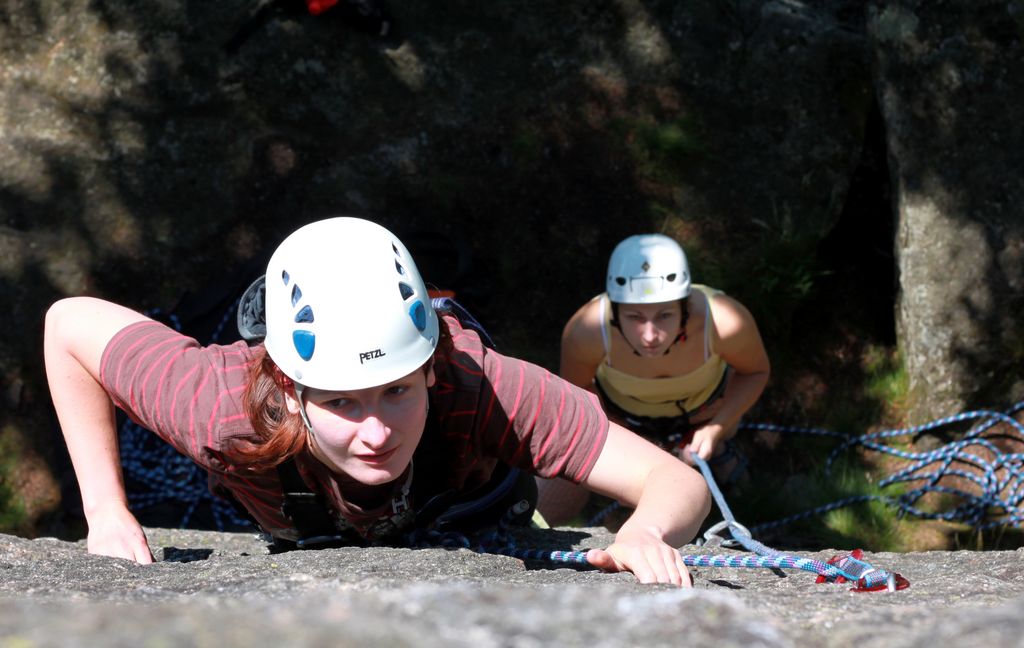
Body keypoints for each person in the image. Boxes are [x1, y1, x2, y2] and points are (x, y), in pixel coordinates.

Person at [44, 217, 710, 587]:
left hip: (476, 505)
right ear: (288, 387)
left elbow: (672, 480)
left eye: (396, 390)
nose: (375, 433)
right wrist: (106, 513)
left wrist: (644, 532)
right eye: (341, 401)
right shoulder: (221, 408)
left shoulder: (479, 386)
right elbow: (69, 325)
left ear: (428, 367)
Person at [537, 233, 769, 525]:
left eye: (664, 315)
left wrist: (715, 428)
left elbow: (755, 371)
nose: (649, 336)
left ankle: (718, 448)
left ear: (685, 309)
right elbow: (577, 395)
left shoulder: (723, 321)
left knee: (723, 426)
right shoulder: (587, 331)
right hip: (623, 416)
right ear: (615, 313)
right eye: (634, 317)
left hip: (703, 412)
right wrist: (621, 439)